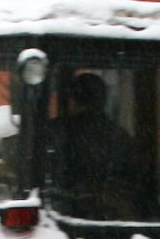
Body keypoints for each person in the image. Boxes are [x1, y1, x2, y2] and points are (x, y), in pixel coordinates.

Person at [49, 72, 137, 219]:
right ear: (103, 100)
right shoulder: (119, 136)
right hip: (110, 216)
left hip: (63, 214)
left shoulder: (54, 132)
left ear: (72, 100)